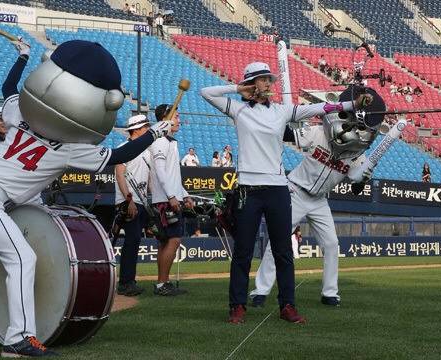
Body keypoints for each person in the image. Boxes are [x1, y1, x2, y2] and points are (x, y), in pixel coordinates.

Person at [0, 40, 171, 357]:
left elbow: (9, 86)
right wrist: (155, 133)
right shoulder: (69, 145)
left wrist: (23, 56)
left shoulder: (19, 115)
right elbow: (120, 154)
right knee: (22, 259)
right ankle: (18, 339)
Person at [201, 62, 372, 324]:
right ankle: (237, 306)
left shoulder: (282, 111)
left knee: (283, 251)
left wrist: (352, 104)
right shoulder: (238, 109)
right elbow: (206, 92)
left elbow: (321, 108)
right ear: (251, 83)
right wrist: (237, 89)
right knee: (243, 251)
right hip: (248, 188)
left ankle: (287, 306)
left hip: (278, 189)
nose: (269, 83)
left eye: (270, 79)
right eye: (262, 80)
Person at [249, 85, 384, 309]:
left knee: (331, 244)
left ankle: (330, 293)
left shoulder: (357, 155)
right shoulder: (319, 132)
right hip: (295, 192)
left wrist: (363, 179)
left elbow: (356, 190)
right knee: (278, 241)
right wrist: (279, 117)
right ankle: (260, 291)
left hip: (320, 200)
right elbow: (288, 134)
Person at [149, 104, 194, 296]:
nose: (179, 120)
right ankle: (162, 284)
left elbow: (172, 175)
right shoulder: (160, 141)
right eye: (176, 116)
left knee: (166, 242)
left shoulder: (170, 142)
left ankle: (163, 283)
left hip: (170, 197)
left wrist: (184, 194)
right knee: (174, 240)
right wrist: (171, 196)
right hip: (165, 200)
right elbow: (160, 172)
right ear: (165, 119)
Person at [114, 114, 152, 297]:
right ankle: (125, 282)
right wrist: (128, 200)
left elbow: (149, 178)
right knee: (132, 240)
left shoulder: (147, 150)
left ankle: (130, 280)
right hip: (128, 201)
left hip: (141, 200)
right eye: (145, 127)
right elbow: (120, 175)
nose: (148, 129)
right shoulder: (124, 148)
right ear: (136, 129)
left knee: (135, 240)